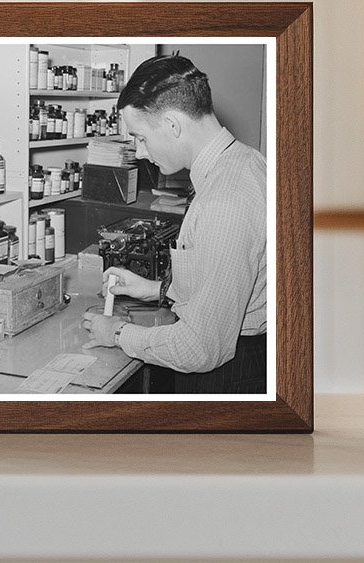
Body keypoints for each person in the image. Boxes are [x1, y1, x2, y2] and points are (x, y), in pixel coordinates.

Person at [81, 54, 267, 394]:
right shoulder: (244, 162)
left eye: (139, 137)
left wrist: (118, 333)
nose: (138, 152)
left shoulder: (224, 203)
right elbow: (230, 284)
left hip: (232, 372)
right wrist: (153, 289)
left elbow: (201, 348)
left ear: (172, 125)